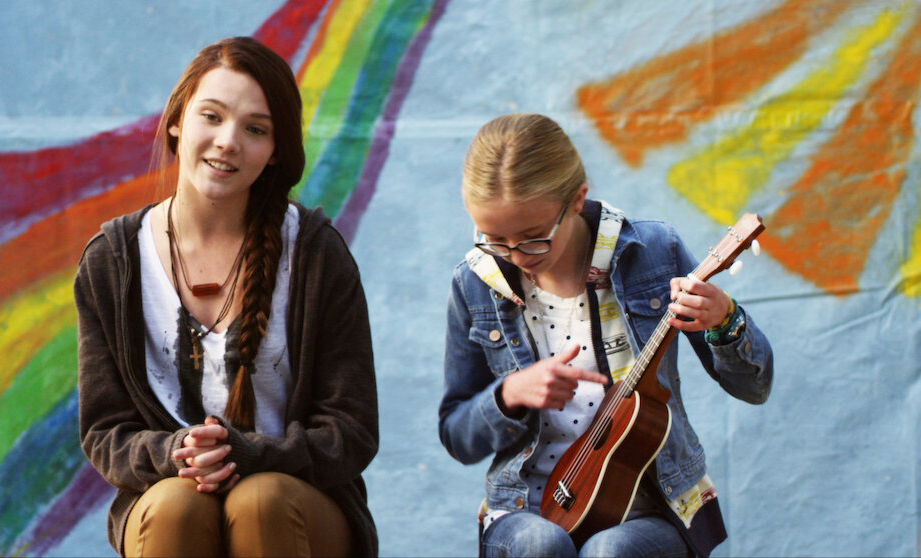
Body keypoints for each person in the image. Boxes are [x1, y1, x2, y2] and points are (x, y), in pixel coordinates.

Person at [75, 37, 378, 557]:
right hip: (166, 497)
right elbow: (105, 431)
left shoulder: (314, 255)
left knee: (260, 501)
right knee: (177, 506)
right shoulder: (113, 261)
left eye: (255, 129)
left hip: (301, 503)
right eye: (211, 116)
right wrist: (177, 452)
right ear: (178, 120)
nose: (228, 141)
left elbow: (351, 429)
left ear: (276, 150)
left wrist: (253, 455)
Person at [439, 113, 773, 558]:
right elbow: (457, 437)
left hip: (651, 505)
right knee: (540, 544)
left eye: (534, 238)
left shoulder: (653, 252)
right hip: (527, 508)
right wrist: (509, 394)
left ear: (577, 200)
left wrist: (724, 320)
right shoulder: (474, 282)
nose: (515, 256)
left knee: (609, 552)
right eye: (494, 239)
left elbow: (753, 387)